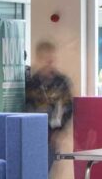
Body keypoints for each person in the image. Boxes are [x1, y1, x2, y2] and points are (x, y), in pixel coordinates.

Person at [25, 41, 75, 170]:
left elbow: (68, 109)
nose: (49, 63)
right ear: (39, 58)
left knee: (45, 169)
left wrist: (59, 132)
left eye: (51, 59)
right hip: (30, 133)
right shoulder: (31, 82)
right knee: (31, 170)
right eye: (46, 59)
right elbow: (25, 107)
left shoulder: (61, 82)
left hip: (51, 134)